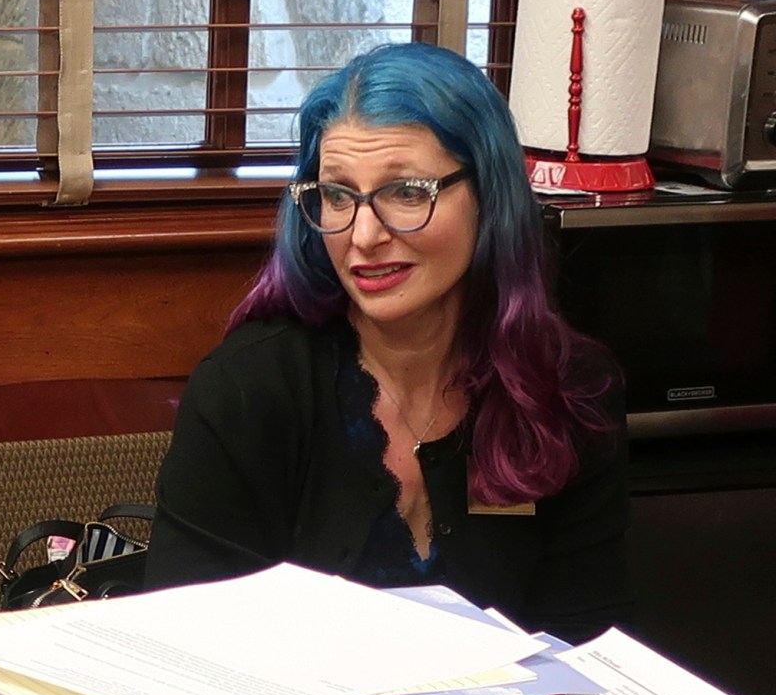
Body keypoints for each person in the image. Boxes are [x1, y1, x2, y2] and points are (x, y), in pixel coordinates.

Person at [145, 42, 631, 643]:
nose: (364, 235)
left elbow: (583, 645)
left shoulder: (565, 387)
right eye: (339, 195)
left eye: (407, 192)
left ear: (490, 196)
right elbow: (185, 647)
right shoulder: (249, 389)